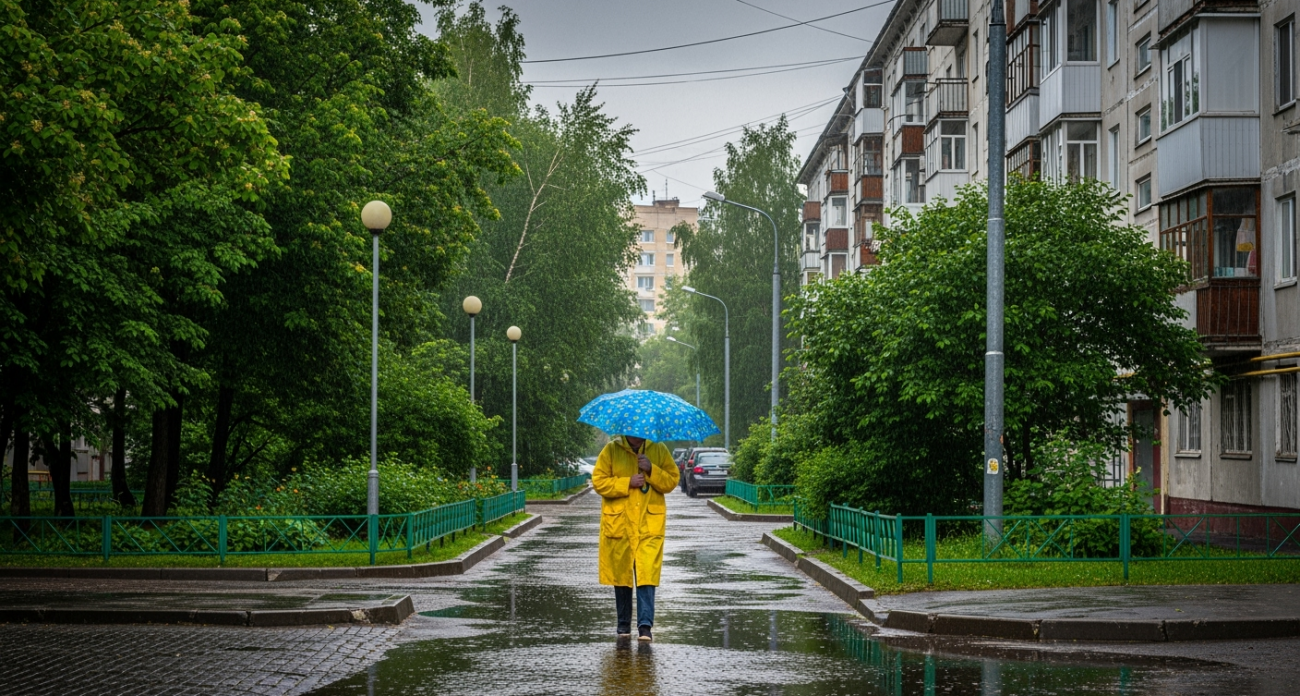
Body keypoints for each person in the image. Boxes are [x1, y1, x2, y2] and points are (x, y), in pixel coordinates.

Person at [591, 434, 679, 642]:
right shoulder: (612, 450)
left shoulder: (658, 449)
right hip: (620, 524)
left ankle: (645, 627)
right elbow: (598, 482)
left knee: (646, 573)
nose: (637, 435)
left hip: (649, 524)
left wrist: (652, 470)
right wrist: (626, 482)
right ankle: (623, 625)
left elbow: (672, 480)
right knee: (621, 575)